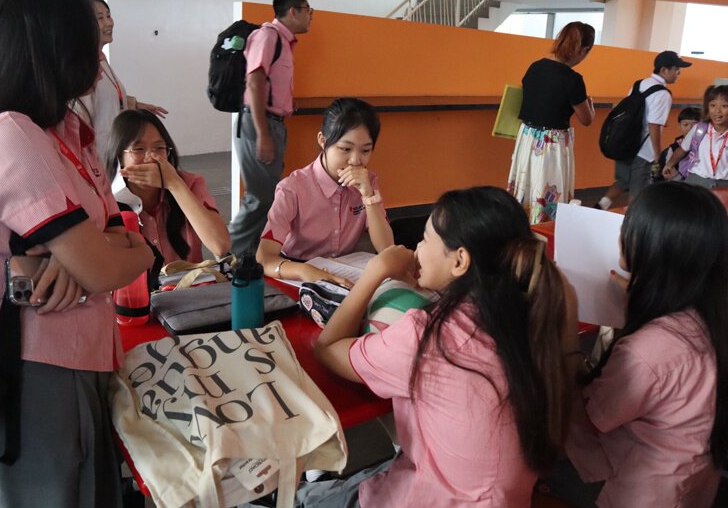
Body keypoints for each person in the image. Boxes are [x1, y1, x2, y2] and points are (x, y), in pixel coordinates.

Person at [0, 0, 155, 507]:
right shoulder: (13, 134)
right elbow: (105, 266)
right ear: (53, 45)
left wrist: (117, 250)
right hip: (33, 369)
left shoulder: (60, 130)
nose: (98, 49)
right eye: (88, 34)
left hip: (74, 351)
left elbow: (113, 233)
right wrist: (121, 253)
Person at [307, 187, 579, 507]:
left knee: (305, 497)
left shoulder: (430, 338)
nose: (417, 249)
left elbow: (327, 348)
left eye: (424, 238)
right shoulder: (536, 311)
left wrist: (376, 271)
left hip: (433, 496)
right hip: (504, 497)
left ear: (460, 260)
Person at [557, 182, 728, 507]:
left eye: (630, 224)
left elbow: (590, 416)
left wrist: (567, 338)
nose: (621, 232)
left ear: (653, 246)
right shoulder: (709, 313)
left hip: (643, 491)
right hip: (691, 478)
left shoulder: (649, 350)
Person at [257, 98, 393, 286]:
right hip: (297, 271)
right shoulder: (293, 188)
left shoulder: (368, 182)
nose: (355, 160)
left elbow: (387, 248)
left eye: (366, 150)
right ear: (322, 140)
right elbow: (264, 258)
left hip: (344, 271)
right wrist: (306, 271)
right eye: (345, 149)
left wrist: (368, 196)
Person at [228, 0, 312, 257]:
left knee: (266, 196)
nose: (310, 17)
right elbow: (254, 81)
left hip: (271, 123)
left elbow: (269, 84)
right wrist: (263, 134)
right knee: (260, 198)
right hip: (258, 123)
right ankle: (230, 255)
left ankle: (251, 255)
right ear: (293, 11)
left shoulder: (283, 42)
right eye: (308, 11)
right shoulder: (268, 36)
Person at [105, 108, 231, 264]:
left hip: (188, 287)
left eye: (159, 148)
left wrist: (175, 185)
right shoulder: (105, 199)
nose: (151, 158)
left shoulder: (190, 184)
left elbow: (221, 246)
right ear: (119, 156)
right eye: (138, 149)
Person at [507, 21, 595, 224]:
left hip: (528, 137)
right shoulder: (573, 79)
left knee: (526, 186)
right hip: (551, 143)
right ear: (583, 50)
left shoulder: (535, 67)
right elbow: (586, 119)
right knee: (547, 192)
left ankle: (519, 226)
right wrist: (590, 104)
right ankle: (544, 232)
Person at [76, 0, 167, 164]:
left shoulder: (101, 59)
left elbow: (107, 99)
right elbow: (81, 116)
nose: (108, 23)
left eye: (108, 16)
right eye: (100, 18)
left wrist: (135, 104)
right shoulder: (82, 66)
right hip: (95, 156)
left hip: (112, 150)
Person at [596, 50, 691, 208]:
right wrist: (657, 153)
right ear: (664, 70)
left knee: (621, 181)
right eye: (676, 69)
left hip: (625, 143)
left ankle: (600, 206)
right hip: (642, 151)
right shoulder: (663, 94)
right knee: (638, 190)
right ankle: (632, 226)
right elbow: (654, 125)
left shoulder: (639, 83)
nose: (679, 73)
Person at [663, 85, 728, 189]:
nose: (717, 111)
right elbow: (682, 149)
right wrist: (669, 164)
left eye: (724, 106)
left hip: (724, 185)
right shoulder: (699, 129)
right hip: (697, 181)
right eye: (713, 105)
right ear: (707, 107)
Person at [655, 105, 701, 181]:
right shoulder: (673, 149)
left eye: (695, 125)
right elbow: (668, 174)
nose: (690, 128)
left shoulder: (707, 145)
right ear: (679, 126)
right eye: (685, 125)